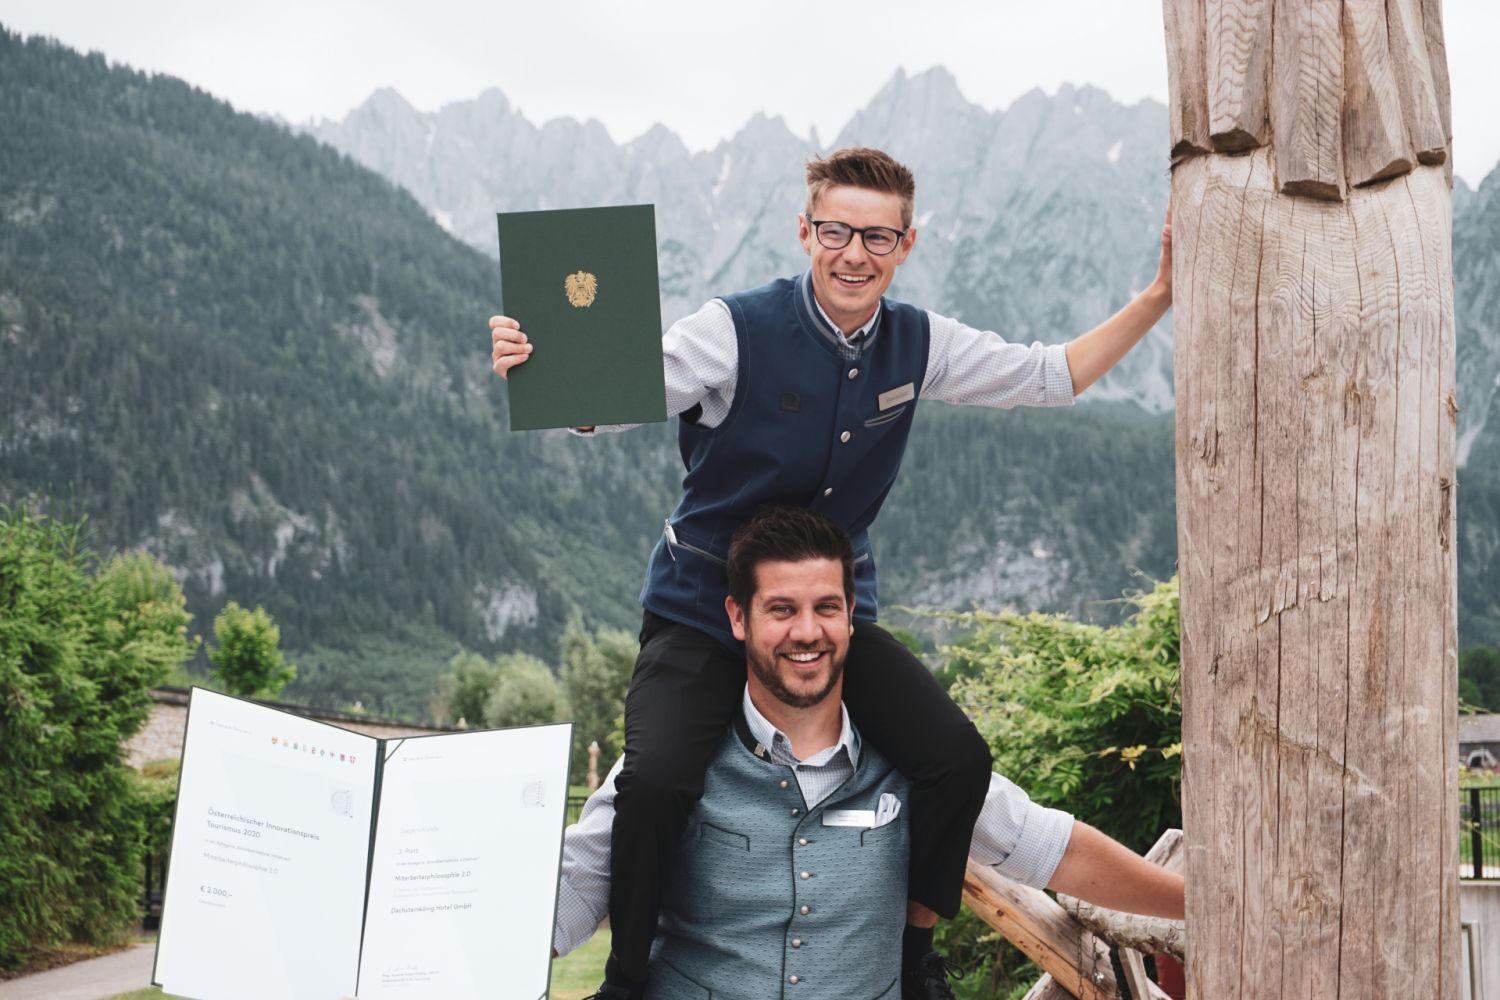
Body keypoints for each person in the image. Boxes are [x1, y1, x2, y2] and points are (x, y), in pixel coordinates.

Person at [490, 147, 1173, 999]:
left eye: (878, 238)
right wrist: (540, 361)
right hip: (706, 609)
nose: (856, 253)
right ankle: (627, 982)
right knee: (658, 778)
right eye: (838, 231)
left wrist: (1158, 298)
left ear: (907, 244)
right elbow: (622, 390)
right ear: (805, 231)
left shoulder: (919, 342)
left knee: (956, 758)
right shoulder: (731, 329)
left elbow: (1049, 374)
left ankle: (914, 958)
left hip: (828, 618)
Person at [551, 507, 1184, 998]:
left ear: (853, 615)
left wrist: (1206, 903)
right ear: (737, 619)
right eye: (781, 609)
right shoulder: (671, 762)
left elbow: (1054, 849)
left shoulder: (917, 760)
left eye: (826, 607)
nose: (807, 631)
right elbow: (565, 900)